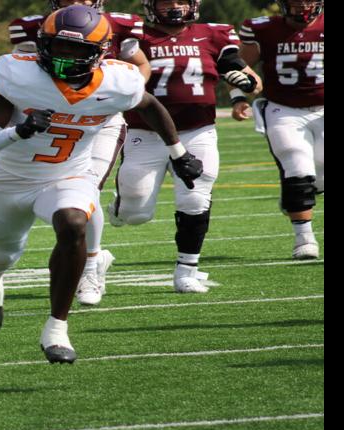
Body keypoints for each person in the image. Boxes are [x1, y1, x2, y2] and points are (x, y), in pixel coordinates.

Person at [0, 4, 201, 363]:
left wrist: (178, 153)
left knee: (75, 222)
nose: (65, 55)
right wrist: (18, 131)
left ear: (99, 52)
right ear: (43, 44)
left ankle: (56, 328)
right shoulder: (18, 75)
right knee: (1, 256)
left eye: (76, 49)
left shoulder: (118, 81)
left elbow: (149, 105)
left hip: (67, 175)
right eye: (59, 45)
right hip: (9, 181)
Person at [108, 0, 257, 293]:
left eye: (180, 1)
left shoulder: (213, 34)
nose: (174, 7)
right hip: (145, 131)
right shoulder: (137, 34)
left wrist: (245, 85)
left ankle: (187, 271)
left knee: (195, 199)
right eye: (166, 2)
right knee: (136, 213)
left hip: (197, 130)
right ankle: (120, 207)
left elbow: (247, 76)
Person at [7, 0, 150, 306]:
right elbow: (20, 71)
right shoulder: (31, 26)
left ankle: (91, 265)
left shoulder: (120, 24)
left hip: (101, 119)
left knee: (87, 189)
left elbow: (140, 64)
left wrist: (126, 95)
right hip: (54, 119)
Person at [235, 0, 323, 260]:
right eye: (295, 1)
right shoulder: (264, 29)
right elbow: (238, 65)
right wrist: (238, 96)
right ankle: (304, 238)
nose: (302, 6)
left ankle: (294, 197)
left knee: (317, 179)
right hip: (284, 110)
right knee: (297, 168)